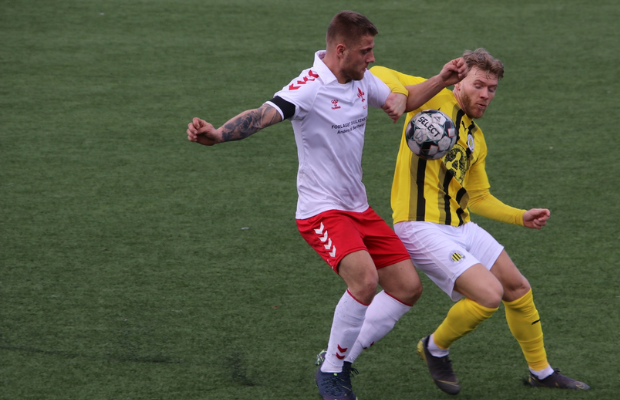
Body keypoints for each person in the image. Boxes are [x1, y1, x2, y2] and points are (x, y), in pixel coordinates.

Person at [186, 11, 467, 400]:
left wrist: (441, 79)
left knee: (407, 288)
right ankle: (332, 372)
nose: (372, 58)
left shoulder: (360, 79)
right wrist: (218, 134)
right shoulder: (310, 87)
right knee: (364, 281)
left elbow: (403, 102)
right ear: (341, 50)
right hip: (321, 211)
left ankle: (341, 356)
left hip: (358, 208)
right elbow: (262, 115)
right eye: (365, 51)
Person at [370, 49, 590, 394]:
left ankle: (541, 372)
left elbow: (478, 196)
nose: (486, 94)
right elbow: (380, 71)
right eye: (479, 85)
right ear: (459, 83)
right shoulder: (433, 98)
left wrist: (520, 216)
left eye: (492, 88)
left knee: (517, 288)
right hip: (420, 225)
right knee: (488, 295)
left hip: (461, 226)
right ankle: (434, 347)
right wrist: (400, 94)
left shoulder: (475, 138)